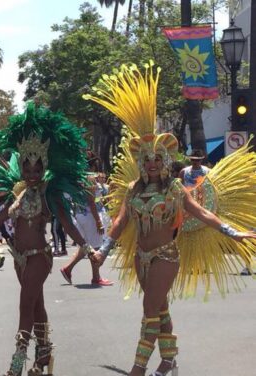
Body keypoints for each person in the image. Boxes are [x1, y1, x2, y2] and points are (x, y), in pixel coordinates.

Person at [85, 62, 256, 376]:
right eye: (146, 159)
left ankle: (138, 368)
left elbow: (202, 212)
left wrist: (232, 232)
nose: (151, 163)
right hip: (142, 257)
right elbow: (122, 221)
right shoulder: (134, 188)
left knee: (149, 309)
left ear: (165, 160)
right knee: (159, 308)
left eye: (156, 158)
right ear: (141, 161)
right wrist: (103, 250)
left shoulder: (176, 188)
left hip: (166, 256)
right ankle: (169, 361)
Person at [0, 102, 94, 376]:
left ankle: (17, 363)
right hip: (19, 259)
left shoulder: (48, 194)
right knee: (37, 306)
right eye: (27, 169)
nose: (32, 175)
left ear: (43, 168)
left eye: (37, 170)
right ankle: (44, 356)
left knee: (25, 306)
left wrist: (84, 245)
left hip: (38, 257)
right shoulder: (15, 193)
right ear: (21, 167)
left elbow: (67, 223)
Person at [59, 170, 113, 286]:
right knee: (96, 247)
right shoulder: (90, 179)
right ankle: (96, 277)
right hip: (90, 217)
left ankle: (68, 269)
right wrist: (98, 221)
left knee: (85, 246)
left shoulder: (79, 179)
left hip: (81, 215)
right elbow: (91, 202)